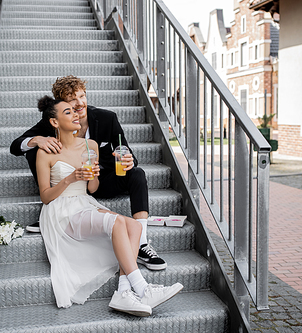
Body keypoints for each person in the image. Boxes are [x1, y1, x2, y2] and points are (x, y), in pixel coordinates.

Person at [35, 95, 182, 316]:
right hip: (61, 210)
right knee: (115, 222)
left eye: (75, 111)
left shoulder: (90, 145)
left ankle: (123, 290)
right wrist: (70, 178)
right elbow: (46, 197)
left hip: (84, 202)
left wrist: (92, 175)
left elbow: (93, 188)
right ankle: (142, 288)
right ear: (55, 122)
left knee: (133, 226)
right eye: (68, 112)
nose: (75, 114)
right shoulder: (44, 152)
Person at [10, 75, 166, 271]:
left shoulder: (107, 118)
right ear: (61, 103)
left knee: (138, 174)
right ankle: (52, 212)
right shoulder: (53, 120)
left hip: (99, 182)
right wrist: (37, 140)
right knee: (36, 150)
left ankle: (142, 244)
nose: (79, 103)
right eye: (72, 99)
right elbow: (16, 146)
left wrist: (128, 161)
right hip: (69, 189)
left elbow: (126, 151)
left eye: (82, 96)